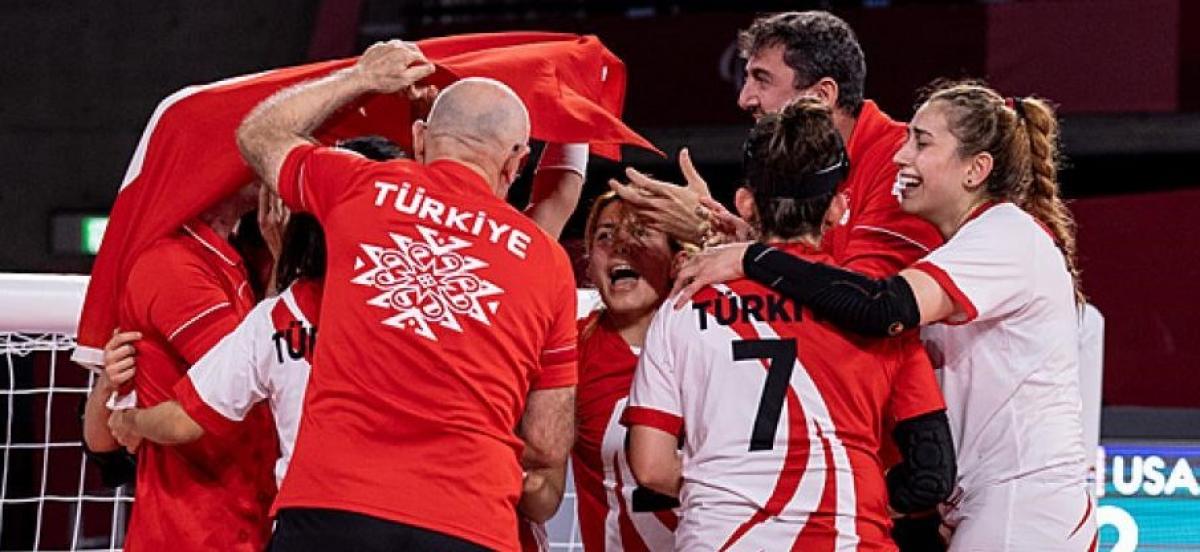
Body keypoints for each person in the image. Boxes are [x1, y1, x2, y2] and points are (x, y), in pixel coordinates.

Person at [105, 133, 584, 552]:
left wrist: (128, 421)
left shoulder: (283, 313)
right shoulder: (476, 295)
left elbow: (190, 417)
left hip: (325, 510)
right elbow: (553, 208)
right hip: (466, 516)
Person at [674, 84, 1096, 551]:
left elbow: (880, 307)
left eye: (921, 142)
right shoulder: (963, 249)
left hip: (1023, 508)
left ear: (976, 169)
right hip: (994, 506)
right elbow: (840, 287)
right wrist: (761, 238)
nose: (899, 156)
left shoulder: (1006, 234)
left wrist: (755, 258)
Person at [236, 41, 578, 552]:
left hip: (334, 507)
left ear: (420, 139)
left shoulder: (360, 186)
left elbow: (257, 134)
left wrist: (361, 77)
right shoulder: (547, 261)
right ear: (516, 162)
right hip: (468, 519)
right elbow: (548, 443)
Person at [623, 99, 955, 551]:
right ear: (838, 208)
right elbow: (930, 472)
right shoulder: (871, 311)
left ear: (744, 202)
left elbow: (650, 465)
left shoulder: (684, 301)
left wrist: (735, 486)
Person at [613, 10, 941, 278]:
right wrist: (736, 237)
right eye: (746, 78)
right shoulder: (790, 167)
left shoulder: (903, 161)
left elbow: (865, 298)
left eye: (761, 79)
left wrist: (748, 254)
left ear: (821, 96)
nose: (745, 99)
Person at [79, 182, 282, 552]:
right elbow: (240, 382)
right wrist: (116, 401)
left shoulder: (242, 256)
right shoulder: (174, 265)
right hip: (201, 532)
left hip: (249, 520)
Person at [571, 191, 681, 551]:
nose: (620, 245)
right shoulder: (571, 349)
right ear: (589, 266)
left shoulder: (714, 339)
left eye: (641, 231)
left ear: (676, 257)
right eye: (605, 235)